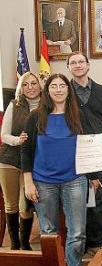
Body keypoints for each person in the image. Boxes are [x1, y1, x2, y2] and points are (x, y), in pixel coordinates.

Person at [21, 74, 87, 266]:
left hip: (74, 181)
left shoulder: (78, 116)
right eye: (54, 86)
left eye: (62, 86)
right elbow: (26, 151)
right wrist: (28, 182)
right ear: (47, 90)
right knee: (49, 233)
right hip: (43, 183)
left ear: (68, 90)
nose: (58, 89)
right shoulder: (35, 117)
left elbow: (92, 143)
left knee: (77, 233)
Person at [67, 52, 102, 254]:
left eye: (81, 62)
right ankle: (91, 242)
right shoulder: (66, 92)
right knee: (87, 198)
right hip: (77, 154)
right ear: (69, 68)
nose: (78, 65)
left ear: (88, 66)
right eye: (73, 63)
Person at [0, 72, 41, 250]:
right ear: (21, 87)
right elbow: (4, 135)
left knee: (27, 204)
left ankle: (25, 243)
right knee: (11, 204)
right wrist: (18, 140)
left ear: (40, 86)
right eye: (26, 84)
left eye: (34, 83)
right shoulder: (14, 104)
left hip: (32, 163)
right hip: (9, 160)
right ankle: (15, 244)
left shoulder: (47, 105)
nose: (30, 87)